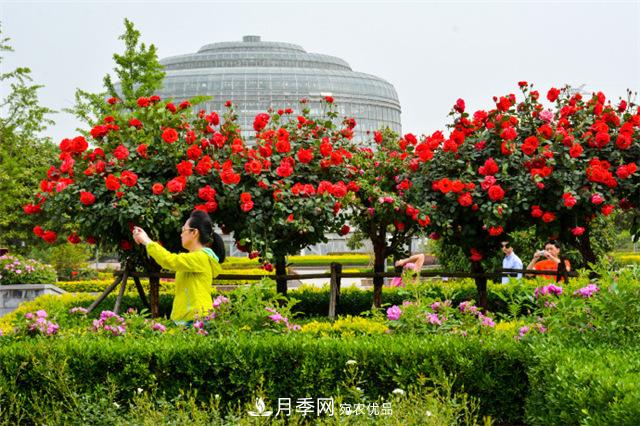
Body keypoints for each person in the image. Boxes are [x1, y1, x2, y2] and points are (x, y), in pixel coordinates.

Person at [132, 210, 226, 324]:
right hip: (189, 319)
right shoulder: (194, 258)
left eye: (183, 230)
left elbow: (169, 260)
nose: (181, 234)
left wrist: (146, 241)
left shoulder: (200, 257)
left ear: (194, 232)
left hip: (195, 319)